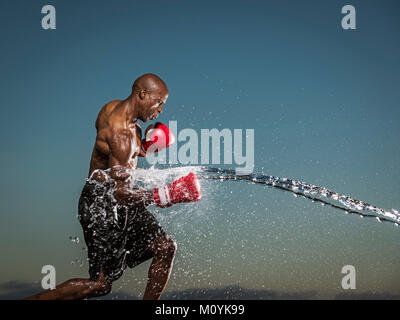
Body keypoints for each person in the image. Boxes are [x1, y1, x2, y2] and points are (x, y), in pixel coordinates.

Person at [25, 73, 202, 300]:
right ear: (142, 94)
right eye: (159, 103)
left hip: (116, 196)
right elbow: (120, 193)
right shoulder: (123, 135)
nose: (160, 110)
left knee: (165, 247)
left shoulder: (112, 109)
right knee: (100, 285)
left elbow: (118, 159)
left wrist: (145, 147)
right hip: (101, 204)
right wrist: (166, 194)